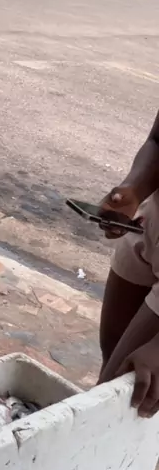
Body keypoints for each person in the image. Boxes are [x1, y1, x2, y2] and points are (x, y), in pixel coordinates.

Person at [99, 110, 159, 417]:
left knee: (123, 395)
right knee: (111, 355)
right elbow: (158, 140)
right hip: (150, 224)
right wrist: (134, 189)